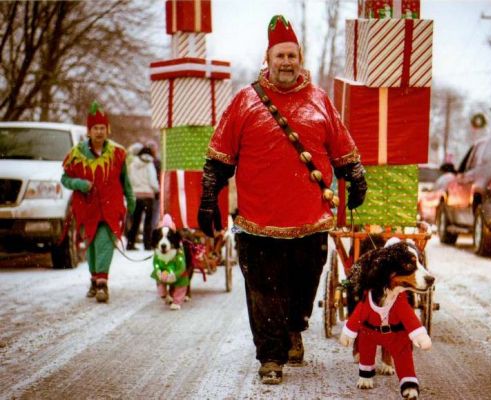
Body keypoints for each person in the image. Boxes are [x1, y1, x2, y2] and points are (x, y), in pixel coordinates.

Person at [197, 15, 367, 385]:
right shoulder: (244, 102)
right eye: (280, 55)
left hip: (310, 221)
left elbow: (343, 148)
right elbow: (218, 158)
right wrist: (209, 196)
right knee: (263, 290)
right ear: (268, 58)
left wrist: (356, 176)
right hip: (258, 223)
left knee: (304, 286)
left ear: (299, 58)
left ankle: (294, 328)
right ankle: (270, 356)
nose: (286, 62)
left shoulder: (320, 100)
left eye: (292, 55)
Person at [61, 101, 135, 303]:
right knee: (92, 245)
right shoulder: (76, 154)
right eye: (95, 128)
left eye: (102, 128)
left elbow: (125, 181)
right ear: (89, 131)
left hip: (111, 208)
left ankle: (102, 283)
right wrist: (79, 183)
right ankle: (94, 280)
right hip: (87, 208)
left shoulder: (118, 154)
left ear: (107, 129)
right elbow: (64, 179)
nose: (99, 132)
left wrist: (131, 199)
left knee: (105, 242)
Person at [126, 145, 159, 250]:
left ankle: (130, 244)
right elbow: (153, 181)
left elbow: (129, 179)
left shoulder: (132, 164)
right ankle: (147, 244)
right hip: (148, 197)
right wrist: (156, 190)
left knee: (135, 221)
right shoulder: (149, 165)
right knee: (148, 222)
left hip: (136, 196)